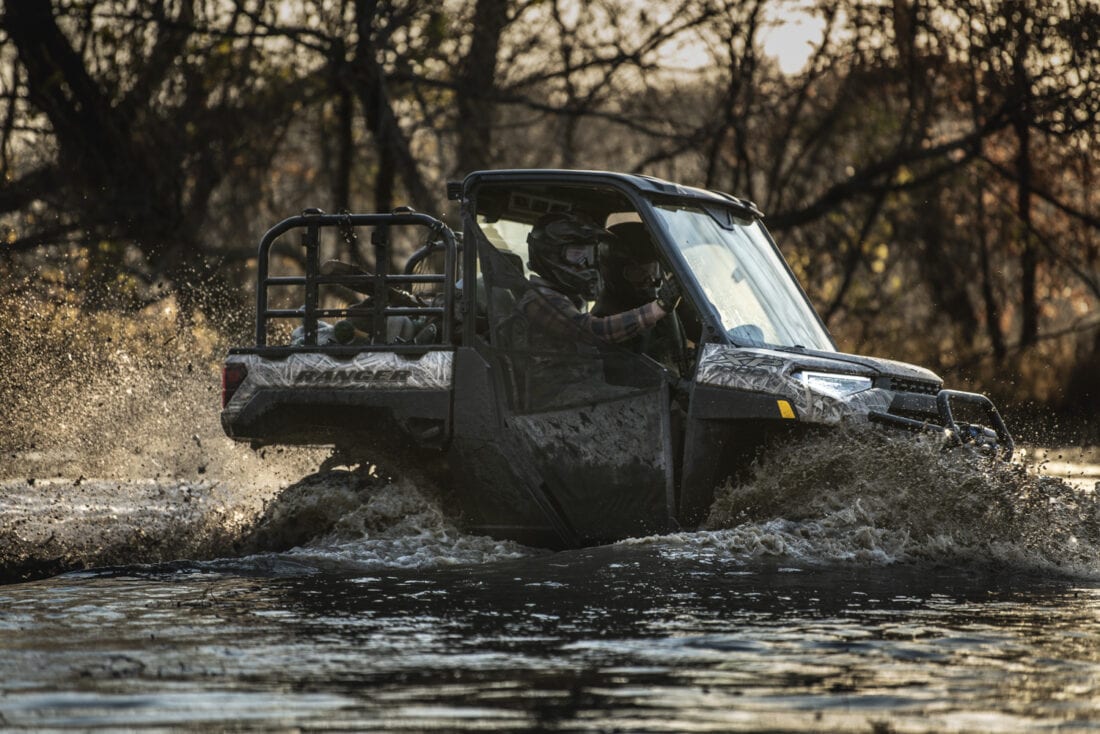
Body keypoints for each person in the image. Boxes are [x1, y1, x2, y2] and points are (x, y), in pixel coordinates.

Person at [513, 211, 680, 407]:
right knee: (650, 404)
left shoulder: (567, 298)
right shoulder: (539, 300)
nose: (586, 265)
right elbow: (592, 332)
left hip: (580, 391)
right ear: (549, 255)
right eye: (577, 255)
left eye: (590, 256)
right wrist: (658, 308)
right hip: (551, 401)